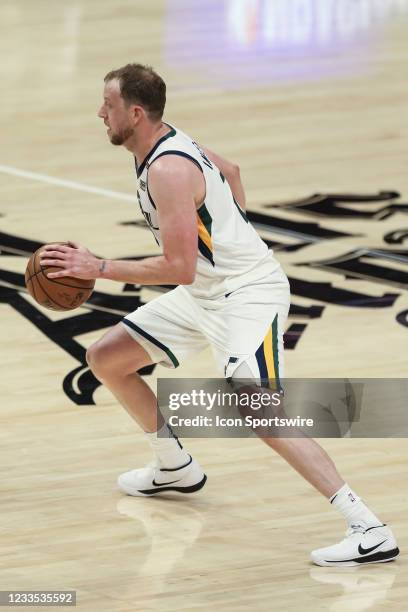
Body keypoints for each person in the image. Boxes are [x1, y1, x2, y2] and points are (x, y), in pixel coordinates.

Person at [40, 63, 399, 567]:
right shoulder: (162, 143)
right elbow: (230, 172)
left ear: (136, 113)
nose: (102, 112)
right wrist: (235, 234)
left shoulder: (167, 168)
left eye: (110, 105)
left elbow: (179, 268)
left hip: (246, 294)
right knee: (106, 359)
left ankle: (368, 527)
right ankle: (173, 466)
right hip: (210, 290)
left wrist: (96, 266)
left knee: (256, 407)